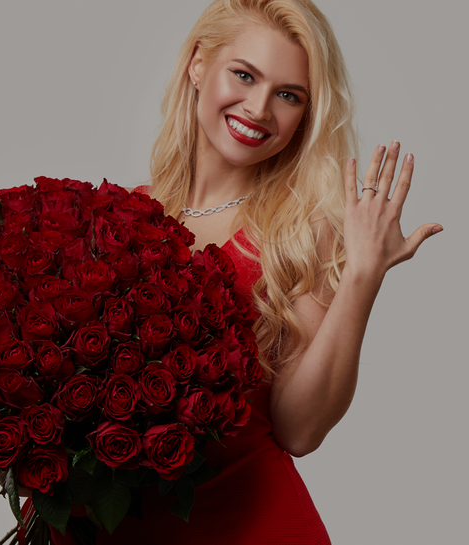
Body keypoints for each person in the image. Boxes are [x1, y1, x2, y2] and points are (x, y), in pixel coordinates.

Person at [25, 0, 440, 542]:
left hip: (247, 527)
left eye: (288, 95)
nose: (260, 108)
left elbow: (299, 429)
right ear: (199, 64)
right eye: (244, 75)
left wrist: (363, 276)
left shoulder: (300, 233)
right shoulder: (113, 216)